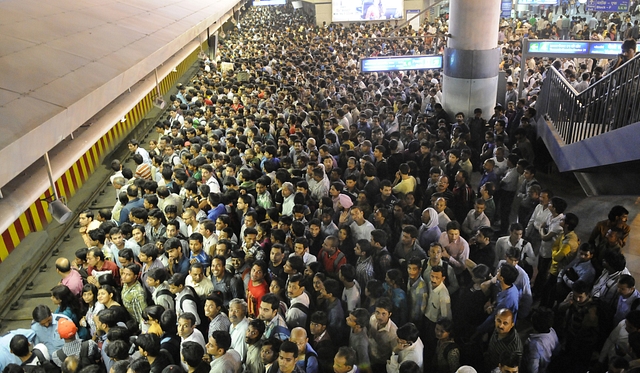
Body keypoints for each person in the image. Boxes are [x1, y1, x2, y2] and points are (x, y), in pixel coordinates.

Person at [368, 297, 398, 372]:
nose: (379, 317)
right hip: (370, 356)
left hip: (381, 362)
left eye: (383, 314)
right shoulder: (372, 319)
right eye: (377, 312)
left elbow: (394, 352)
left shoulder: (393, 333)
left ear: (389, 314)